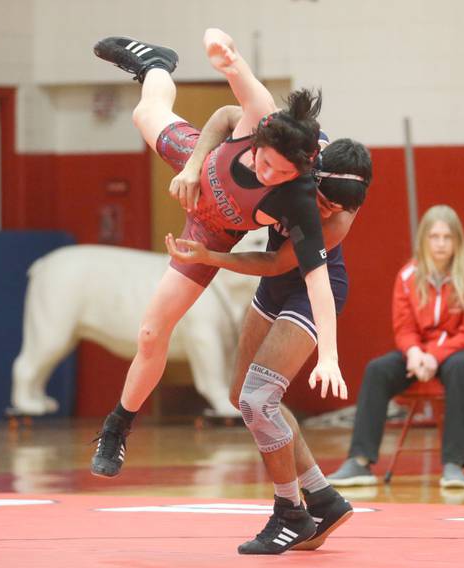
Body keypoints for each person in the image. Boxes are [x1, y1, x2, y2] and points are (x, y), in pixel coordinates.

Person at [89, 29, 345, 487]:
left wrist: (328, 355)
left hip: (210, 234)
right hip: (198, 163)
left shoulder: (299, 198)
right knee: (145, 110)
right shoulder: (261, 118)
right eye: (266, 165)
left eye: (283, 175)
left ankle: (117, 425)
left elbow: (318, 280)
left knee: (151, 330)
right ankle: (156, 64)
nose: (270, 175)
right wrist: (222, 54)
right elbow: (233, 87)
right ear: (261, 140)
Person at [167, 136, 372, 554]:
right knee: (242, 394)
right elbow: (227, 114)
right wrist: (194, 166)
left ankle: (290, 511)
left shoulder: (339, 218)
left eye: (342, 208)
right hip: (275, 287)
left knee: (258, 401)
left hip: (312, 291)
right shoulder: (294, 154)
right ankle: (324, 498)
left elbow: (276, 262)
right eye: (326, 201)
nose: (330, 211)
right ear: (313, 171)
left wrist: (210, 257)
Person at [326, 205, 464, 489]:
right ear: (423, 240)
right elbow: (404, 329)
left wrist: (434, 355)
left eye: (447, 237)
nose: (441, 244)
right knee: (378, 369)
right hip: (423, 354)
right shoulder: (408, 275)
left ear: (458, 240)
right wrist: (416, 353)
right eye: (434, 237)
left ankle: (454, 464)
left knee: (458, 367)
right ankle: (360, 461)